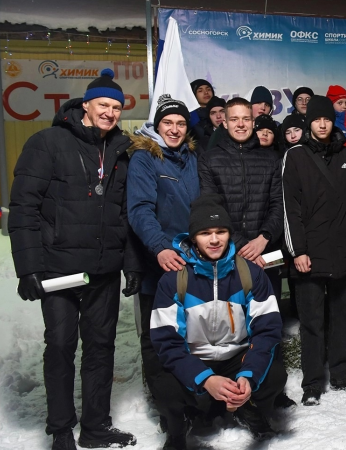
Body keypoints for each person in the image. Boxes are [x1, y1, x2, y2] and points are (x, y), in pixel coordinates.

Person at [9, 69, 139, 449]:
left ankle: (95, 427)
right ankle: (61, 429)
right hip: (59, 270)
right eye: (104, 104)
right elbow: (24, 207)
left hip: (104, 269)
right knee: (62, 346)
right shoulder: (47, 142)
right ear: (86, 105)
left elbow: (126, 213)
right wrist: (29, 267)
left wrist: (130, 262)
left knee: (101, 348)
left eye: (117, 107)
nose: (110, 113)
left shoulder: (121, 150)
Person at [150, 195, 287, 448]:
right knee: (164, 385)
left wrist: (248, 376)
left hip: (235, 357)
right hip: (195, 356)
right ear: (193, 238)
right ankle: (179, 426)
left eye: (221, 231)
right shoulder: (174, 279)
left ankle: (248, 410)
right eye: (205, 233)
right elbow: (166, 342)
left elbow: (267, 330)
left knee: (275, 375)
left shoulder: (250, 272)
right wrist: (205, 378)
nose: (214, 239)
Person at [282, 96, 346, 404]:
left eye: (326, 119)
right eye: (316, 119)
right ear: (308, 122)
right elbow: (290, 208)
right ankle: (312, 384)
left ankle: (343, 375)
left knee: (342, 316)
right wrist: (298, 251)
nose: (322, 124)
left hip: (343, 249)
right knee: (311, 321)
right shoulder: (294, 156)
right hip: (309, 251)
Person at [126, 95, 201, 428]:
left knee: (192, 336)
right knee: (159, 340)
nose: (174, 129)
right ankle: (170, 415)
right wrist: (159, 247)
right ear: (157, 126)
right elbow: (140, 209)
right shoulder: (145, 158)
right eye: (168, 123)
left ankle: (193, 403)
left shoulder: (191, 158)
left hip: (193, 263)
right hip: (160, 262)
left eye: (181, 123)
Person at [198, 98, 287, 315]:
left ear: (253, 122)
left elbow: (279, 204)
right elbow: (212, 208)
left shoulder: (272, 159)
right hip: (227, 254)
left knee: (268, 321)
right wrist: (244, 246)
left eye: (246, 119)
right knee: (231, 323)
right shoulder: (209, 159)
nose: (240, 124)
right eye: (234, 119)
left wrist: (264, 238)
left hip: (267, 254)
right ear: (225, 123)